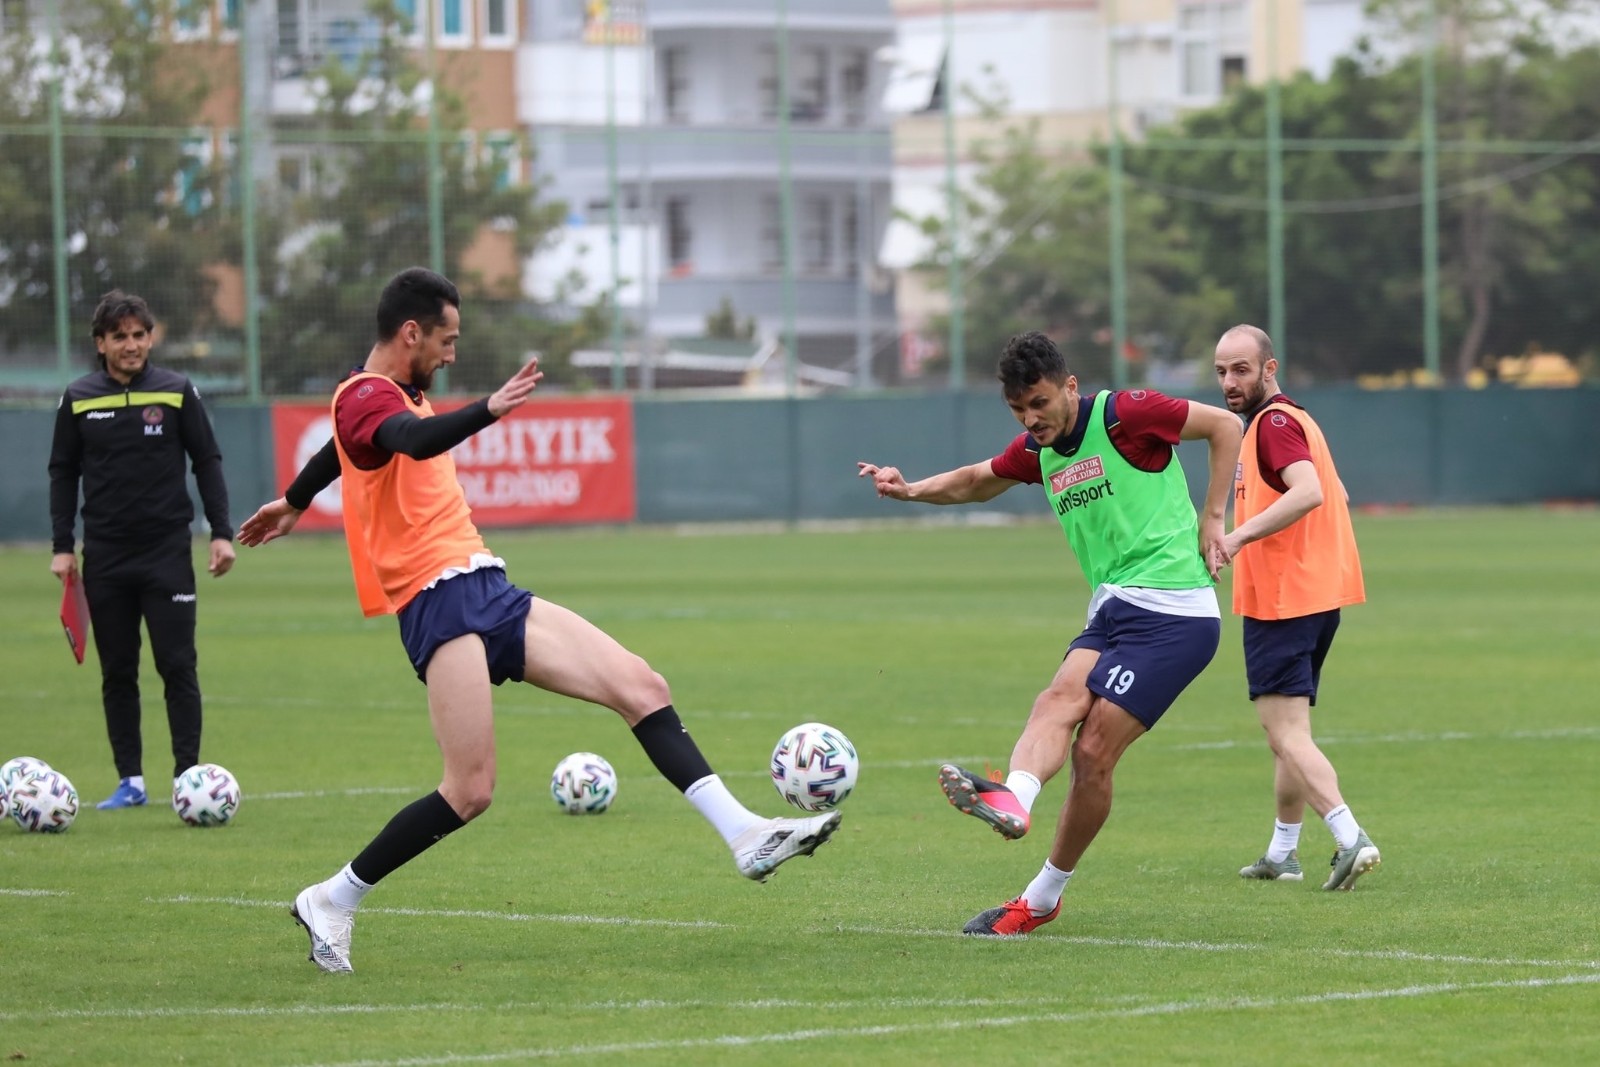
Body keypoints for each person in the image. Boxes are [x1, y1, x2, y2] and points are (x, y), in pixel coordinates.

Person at [239, 267, 839, 974]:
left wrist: (295, 497)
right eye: (446, 339)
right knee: (470, 789)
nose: (452, 353)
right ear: (410, 333)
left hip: (484, 585)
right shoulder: (371, 398)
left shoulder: (380, 397)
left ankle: (746, 834)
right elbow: (408, 440)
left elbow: (345, 448)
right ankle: (333, 897)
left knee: (641, 685)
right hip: (434, 601)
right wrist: (489, 409)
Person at [857, 331, 1241, 936]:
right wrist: (910, 490)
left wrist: (1214, 519)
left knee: (1093, 754)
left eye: (1039, 403)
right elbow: (976, 479)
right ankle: (1014, 798)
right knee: (1056, 701)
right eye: (1017, 410)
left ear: (1069, 388)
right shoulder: (1039, 453)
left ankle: (1041, 898)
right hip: (1113, 610)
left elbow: (1224, 425)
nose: (1031, 419)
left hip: (1177, 616)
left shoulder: (1125, 415)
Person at [47, 290, 236, 811]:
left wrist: (222, 532)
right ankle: (130, 780)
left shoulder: (177, 391)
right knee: (118, 672)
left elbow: (208, 460)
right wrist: (63, 546)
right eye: (119, 337)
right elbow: (63, 472)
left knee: (178, 665)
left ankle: (187, 781)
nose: (131, 345)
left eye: (139, 335)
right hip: (105, 557)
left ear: (150, 338)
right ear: (101, 343)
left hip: (167, 553)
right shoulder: (79, 397)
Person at [1213, 324, 1379, 891]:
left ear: (1269, 368)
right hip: (1315, 594)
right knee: (1288, 732)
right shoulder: (1296, 419)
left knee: (1286, 733)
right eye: (1221, 371)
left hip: (1283, 599)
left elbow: (1309, 492)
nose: (1230, 381)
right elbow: (1338, 493)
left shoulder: (1273, 423)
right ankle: (1283, 852)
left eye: (1241, 369)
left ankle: (1348, 835)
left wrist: (1236, 539)